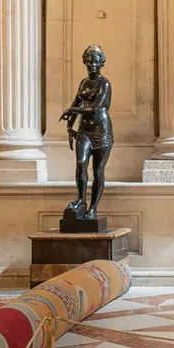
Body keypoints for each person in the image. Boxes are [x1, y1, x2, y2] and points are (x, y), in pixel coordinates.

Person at [60, 45, 114, 224]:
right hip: (84, 130)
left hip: (101, 132)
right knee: (81, 163)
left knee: (98, 171)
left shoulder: (104, 83)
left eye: (96, 62)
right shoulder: (84, 83)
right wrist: (69, 126)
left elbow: (96, 107)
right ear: (85, 62)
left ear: (101, 63)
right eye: (89, 61)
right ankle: (81, 199)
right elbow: (76, 103)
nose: (92, 65)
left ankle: (93, 208)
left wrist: (72, 109)